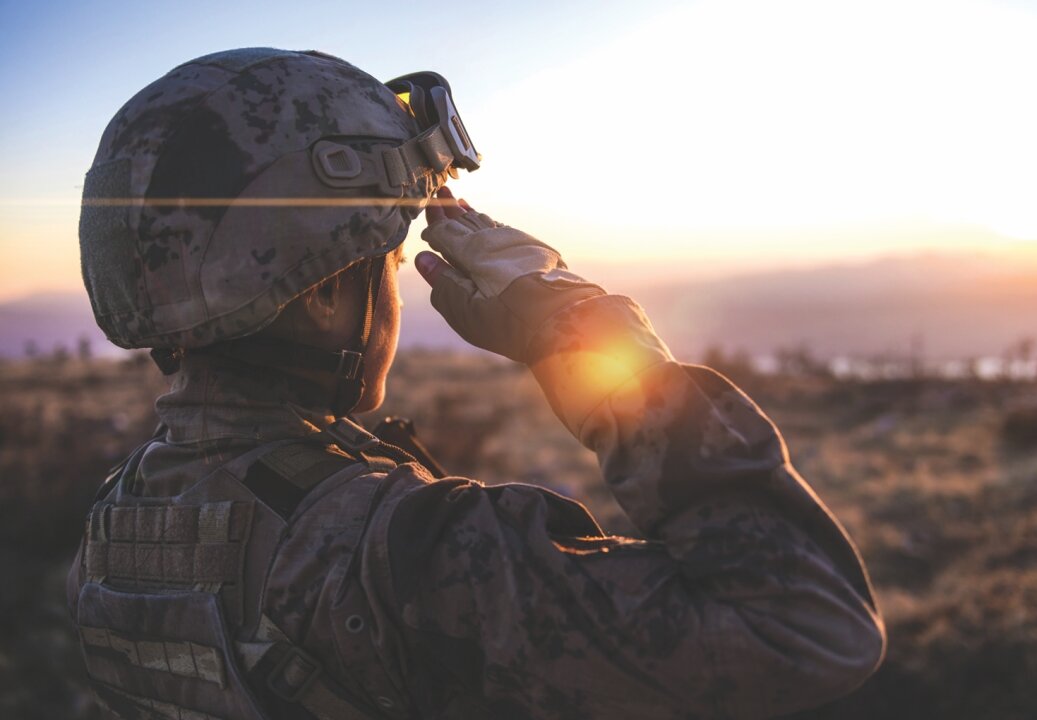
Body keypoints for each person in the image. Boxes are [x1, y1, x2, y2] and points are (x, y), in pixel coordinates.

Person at [68, 47, 884, 720]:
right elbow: (807, 626)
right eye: (392, 264)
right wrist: (580, 327)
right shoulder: (410, 552)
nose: (396, 291)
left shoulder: (117, 523)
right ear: (321, 296)